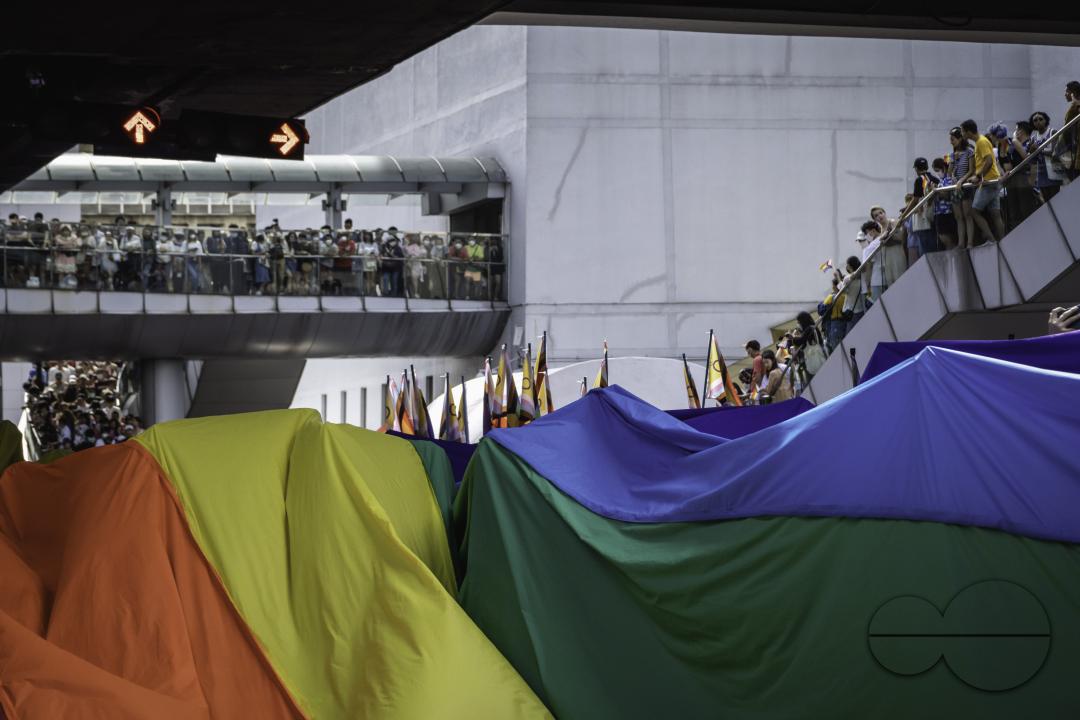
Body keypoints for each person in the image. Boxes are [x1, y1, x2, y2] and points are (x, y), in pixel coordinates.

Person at [959, 119, 1005, 244]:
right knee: (995, 214)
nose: (962, 134)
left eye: (963, 132)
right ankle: (1002, 242)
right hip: (992, 181)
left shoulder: (981, 142)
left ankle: (991, 239)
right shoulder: (981, 142)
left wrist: (978, 176)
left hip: (988, 182)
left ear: (968, 132)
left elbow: (989, 161)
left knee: (974, 212)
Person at [903, 158, 941, 260]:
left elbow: (915, 199)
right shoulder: (935, 178)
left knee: (926, 253)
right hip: (935, 214)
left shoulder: (920, 179)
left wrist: (904, 215)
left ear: (916, 168)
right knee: (935, 247)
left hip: (923, 219)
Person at [946, 126, 976, 249]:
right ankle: (961, 242)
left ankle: (969, 242)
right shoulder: (953, 155)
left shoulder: (969, 151)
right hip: (955, 187)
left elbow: (972, 170)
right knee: (958, 217)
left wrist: (961, 181)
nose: (951, 141)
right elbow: (949, 172)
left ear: (960, 139)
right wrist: (953, 170)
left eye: (953, 139)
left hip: (965, 186)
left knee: (967, 215)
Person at [870, 206, 906, 291]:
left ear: (884, 213)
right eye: (876, 215)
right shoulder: (882, 229)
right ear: (875, 220)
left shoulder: (892, 222)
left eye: (881, 213)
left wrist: (888, 236)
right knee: (891, 282)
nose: (880, 216)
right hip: (887, 257)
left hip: (896, 253)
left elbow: (902, 238)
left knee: (899, 278)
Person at [1029, 111, 1063, 203]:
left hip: (1053, 170)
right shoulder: (1033, 138)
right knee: (1047, 202)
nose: (1038, 121)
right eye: (1035, 120)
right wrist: (1031, 151)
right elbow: (1032, 160)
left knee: (1055, 200)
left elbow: (1055, 152)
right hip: (1041, 173)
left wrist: (1038, 149)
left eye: (1041, 119)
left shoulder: (1052, 132)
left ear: (1046, 120)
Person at [930, 157, 956, 250]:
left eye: (937, 170)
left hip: (946, 212)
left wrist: (936, 191)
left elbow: (948, 195)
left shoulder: (948, 179)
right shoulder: (941, 181)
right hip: (939, 212)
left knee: (946, 238)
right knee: (943, 238)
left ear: (943, 168)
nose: (937, 173)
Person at [1065, 81, 1080, 181]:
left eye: (1067, 91)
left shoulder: (1076, 106)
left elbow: (1067, 124)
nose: (1065, 94)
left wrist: (1075, 103)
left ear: (1073, 92)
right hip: (1074, 150)